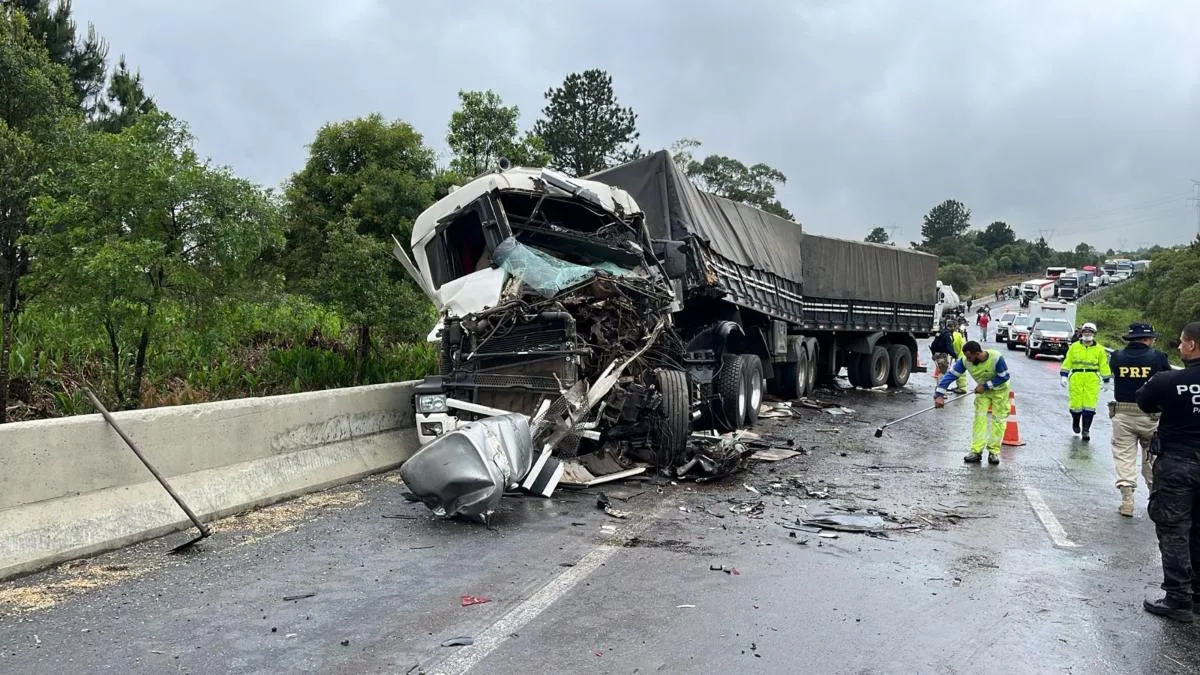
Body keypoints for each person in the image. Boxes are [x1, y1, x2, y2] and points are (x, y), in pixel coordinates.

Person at [1136, 321, 1200, 623]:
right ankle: (1197, 595)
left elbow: (1144, 401)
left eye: (1182, 342)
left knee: (1174, 529)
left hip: (1177, 463)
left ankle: (1178, 597)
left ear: (1192, 345)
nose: (1178, 346)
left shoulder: (1168, 380)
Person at [1108, 323, 1173, 516]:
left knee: (1124, 456)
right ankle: (1156, 498)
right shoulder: (1158, 358)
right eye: (1152, 338)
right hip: (1151, 416)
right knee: (1152, 457)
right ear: (1146, 339)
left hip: (1123, 414)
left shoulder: (1117, 357)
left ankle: (1127, 500)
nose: (1153, 341)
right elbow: (1168, 380)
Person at [935, 341, 1012, 465]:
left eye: (970, 357)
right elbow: (951, 375)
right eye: (966, 357)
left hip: (1000, 392)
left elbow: (1004, 376)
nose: (968, 360)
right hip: (982, 392)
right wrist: (939, 395)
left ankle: (994, 452)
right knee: (979, 419)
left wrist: (986, 386)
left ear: (978, 353)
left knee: (998, 420)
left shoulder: (996, 357)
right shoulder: (965, 361)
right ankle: (976, 451)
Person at [1060, 322, 1111, 441]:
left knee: (1090, 405)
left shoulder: (1099, 349)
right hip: (1077, 377)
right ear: (1081, 333)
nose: (1087, 334)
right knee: (1075, 405)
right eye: (1085, 332)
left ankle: (1086, 430)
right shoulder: (1074, 347)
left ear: (1094, 334)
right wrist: (1064, 375)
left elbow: (1103, 365)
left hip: (1091, 378)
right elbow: (1068, 362)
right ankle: (1076, 421)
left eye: (1090, 332)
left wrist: (1106, 380)